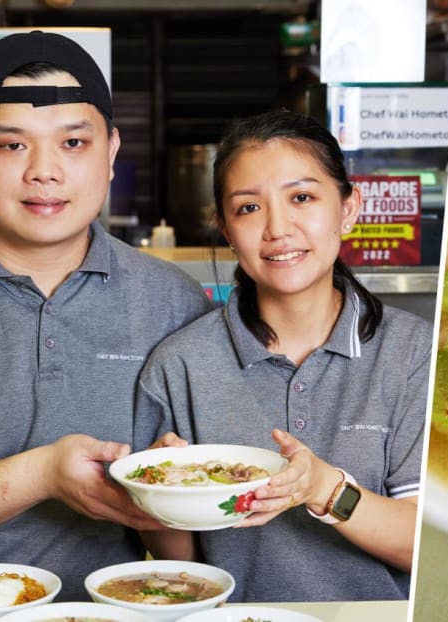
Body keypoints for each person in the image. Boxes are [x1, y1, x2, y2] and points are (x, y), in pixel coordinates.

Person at [0, 31, 211, 607]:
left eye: (74, 142)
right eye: (12, 146)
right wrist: (42, 475)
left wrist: (169, 495)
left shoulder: (173, 302)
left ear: (110, 153)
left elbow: (190, 537)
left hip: (107, 612)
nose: (45, 172)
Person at [137, 109, 432, 602]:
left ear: (348, 208)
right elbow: (178, 568)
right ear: (225, 229)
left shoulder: (413, 354)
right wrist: (165, 498)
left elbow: (423, 548)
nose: (278, 228)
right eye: (248, 208)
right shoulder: (179, 365)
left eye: (302, 197)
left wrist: (324, 488)